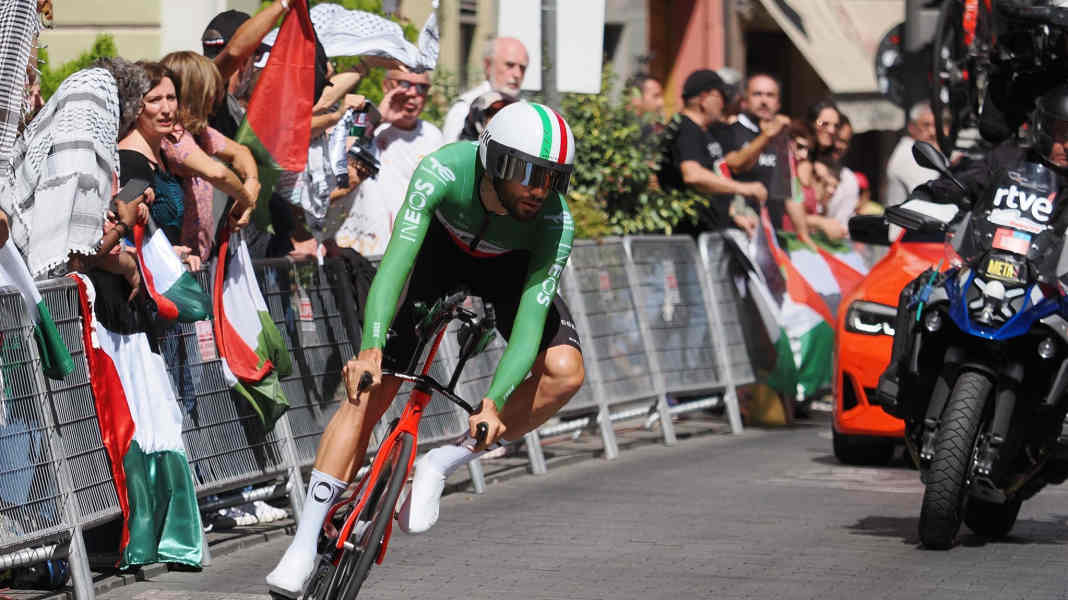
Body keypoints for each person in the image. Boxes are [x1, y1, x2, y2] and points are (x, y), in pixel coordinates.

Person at [266, 101, 584, 597]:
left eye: (552, 178)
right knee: (368, 389)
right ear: (495, 161)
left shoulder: (553, 221)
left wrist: (493, 401)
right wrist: (371, 347)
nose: (539, 190)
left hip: (511, 271)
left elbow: (526, 325)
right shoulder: (443, 169)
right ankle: (304, 543)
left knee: (565, 370)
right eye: (527, 174)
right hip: (441, 257)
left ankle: (442, 462)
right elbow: (396, 262)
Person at [877, 84, 1068, 411]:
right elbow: (967, 179)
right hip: (988, 265)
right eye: (1062, 133)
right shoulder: (1009, 158)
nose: (1067, 144)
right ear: (1043, 129)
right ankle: (900, 377)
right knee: (921, 290)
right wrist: (932, 194)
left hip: (1047, 284)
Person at [159, 51, 258, 265]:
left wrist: (252, 182)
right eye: (211, 91)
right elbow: (218, 173)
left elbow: (241, 152)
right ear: (195, 93)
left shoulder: (199, 133)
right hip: (177, 264)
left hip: (198, 259)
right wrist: (246, 199)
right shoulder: (172, 136)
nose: (216, 98)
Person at [335, 69, 443, 256]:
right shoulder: (367, 125)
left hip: (409, 250)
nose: (412, 94)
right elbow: (339, 164)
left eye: (421, 87)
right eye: (404, 85)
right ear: (386, 86)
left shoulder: (433, 135)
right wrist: (379, 119)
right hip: (359, 247)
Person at [657, 69, 767, 235]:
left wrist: (735, 216)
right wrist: (743, 188)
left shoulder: (704, 131)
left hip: (711, 232)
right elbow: (693, 175)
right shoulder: (685, 129)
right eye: (721, 97)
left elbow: (712, 180)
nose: (724, 104)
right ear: (704, 98)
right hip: (688, 238)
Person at [722, 73, 812, 243]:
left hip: (773, 236)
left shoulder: (781, 137)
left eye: (770, 95)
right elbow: (735, 164)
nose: (764, 101)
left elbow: (789, 192)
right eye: (757, 94)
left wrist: (804, 235)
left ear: (778, 104)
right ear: (744, 100)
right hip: (740, 233)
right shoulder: (730, 131)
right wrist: (767, 135)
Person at [441, 36, 529, 142]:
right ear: (488, 65)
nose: (517, 74)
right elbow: (450, 154)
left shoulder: (526, 111)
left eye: (522, 68)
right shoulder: (465, 108)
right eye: (510, 65)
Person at [884, 101, 941, 207]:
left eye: (936, 125)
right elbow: (930, 195)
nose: (933, 132)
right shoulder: (910, 153)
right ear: (911, 127)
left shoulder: (922, 150)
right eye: (926, 125)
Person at [825, 112, 860, 229]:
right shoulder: (803, 167)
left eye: (844, 141)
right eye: (835, 139)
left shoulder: (849, 179)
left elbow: (842, 226)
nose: (838, 146)